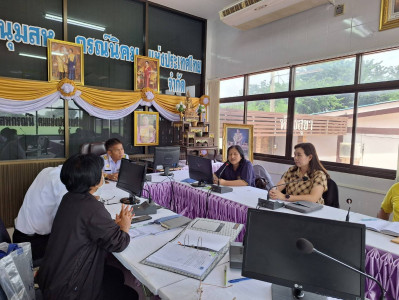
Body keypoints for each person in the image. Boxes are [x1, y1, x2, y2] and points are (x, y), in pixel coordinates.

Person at [36, 154, 134, 299]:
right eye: (101, 172)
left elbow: (86, 226)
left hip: (53, 278)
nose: (103, 175)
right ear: (92, 181)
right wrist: (125, 226)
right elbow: (118, 243)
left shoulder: (69, 197)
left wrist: (110, 225)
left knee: (116, 274)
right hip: (70, 290)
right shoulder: (91, 208)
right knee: (129, 294)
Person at [13, 165, 67, 261]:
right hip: (32, 243)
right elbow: (71, 213)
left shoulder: (48, 170)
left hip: (20, 233)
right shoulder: (62, 183)